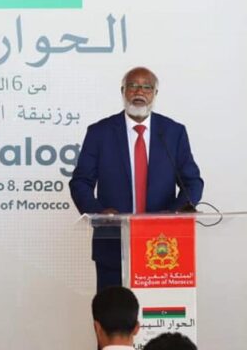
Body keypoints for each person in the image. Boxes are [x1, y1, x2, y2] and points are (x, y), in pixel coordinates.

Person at [69, 67, 203, 290]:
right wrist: (98, 213)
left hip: (163, 243)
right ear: (123, 91)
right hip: (113, 241)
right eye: (133, 86)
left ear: (155, 93)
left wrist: (174, 214)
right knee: (114, 308)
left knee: (159, 307)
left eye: (147, 87)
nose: (139, 91)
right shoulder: (99, 132)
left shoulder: (173, 132)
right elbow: (81, 181)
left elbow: (192, 182)